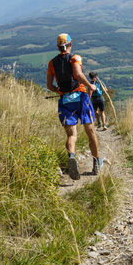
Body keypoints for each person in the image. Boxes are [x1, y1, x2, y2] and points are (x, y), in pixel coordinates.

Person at [46, 33, 102, 179]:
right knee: (91, 132)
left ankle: (72, 156)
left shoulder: (52, 63)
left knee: (72, 135)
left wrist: (58, 90)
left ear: (58, 47)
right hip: (81, 98)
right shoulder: (75, 58)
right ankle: (96, 162)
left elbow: (49, 85)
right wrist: (90, 85)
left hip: (65, 100)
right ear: (70, 44)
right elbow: (77, 74)